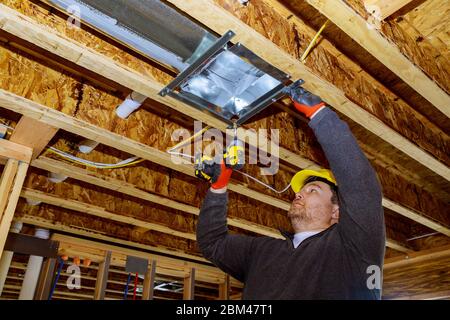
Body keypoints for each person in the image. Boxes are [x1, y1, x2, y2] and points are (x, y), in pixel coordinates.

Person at [196, 86, 386, 299]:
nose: (299, 194)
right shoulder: (262, 252)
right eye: (301, 191)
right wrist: (218, 187)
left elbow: (361, 188)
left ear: (336, 211)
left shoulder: (353, 249)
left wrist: (320, 115)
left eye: (312, 190)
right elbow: (213, 244)